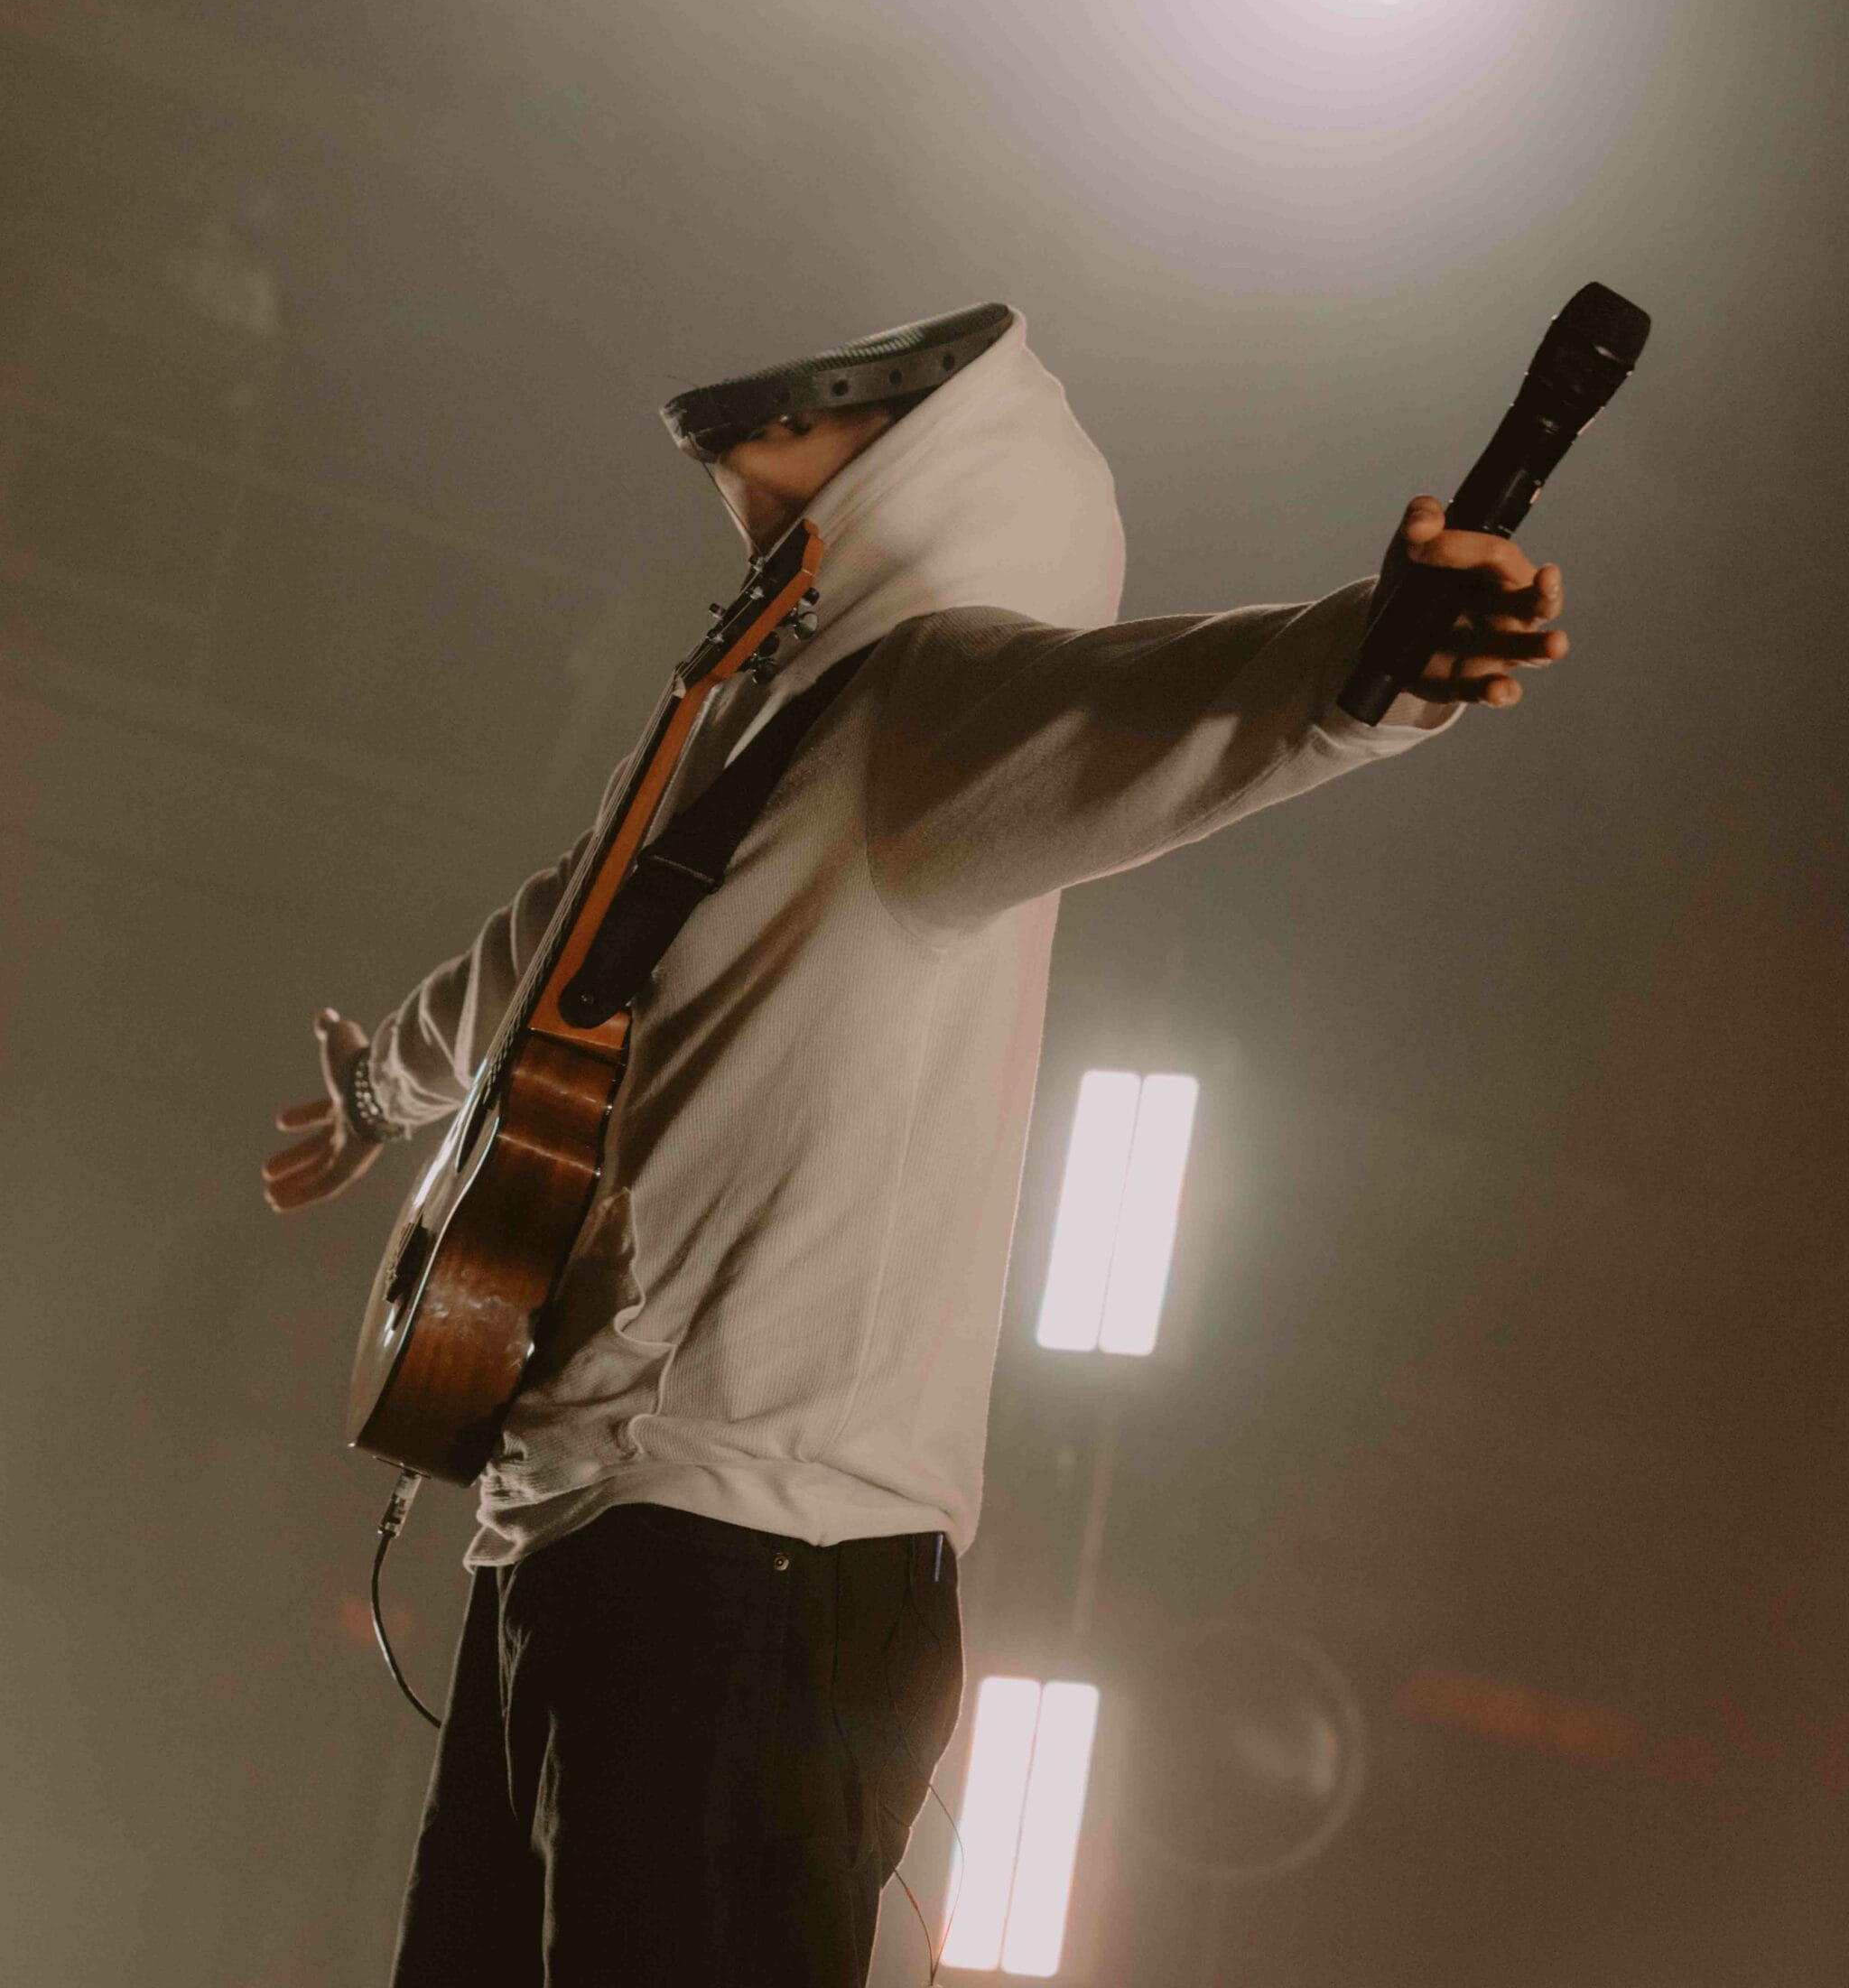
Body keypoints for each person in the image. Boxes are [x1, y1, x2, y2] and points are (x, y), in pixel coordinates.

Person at [262, 304, 1568, 1987]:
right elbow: (542, 950)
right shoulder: (731, 748)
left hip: (753, 1550)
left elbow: (1150, 703)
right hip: (581, 1534)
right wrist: (382, 1095)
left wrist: (1372, 662)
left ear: (925, 462)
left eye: (809, 431)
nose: (752, 456)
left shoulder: (920, 711)